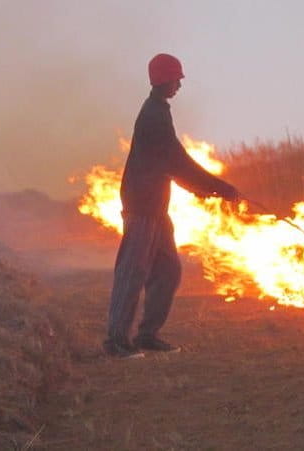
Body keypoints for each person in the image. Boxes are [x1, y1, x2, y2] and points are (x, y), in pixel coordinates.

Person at [103, 53, 239, 358]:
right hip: (142, 207)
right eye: (176, 79)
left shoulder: (160, 110)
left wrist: (204, 189)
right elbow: (177, 161)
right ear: (164, 80)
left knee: (168, 270)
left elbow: (171, 161)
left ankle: (147, 335)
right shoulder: (153, 115)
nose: (179, 84)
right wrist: (220, 188)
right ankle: (115, 340)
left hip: (157, 208)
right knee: (132, 271)